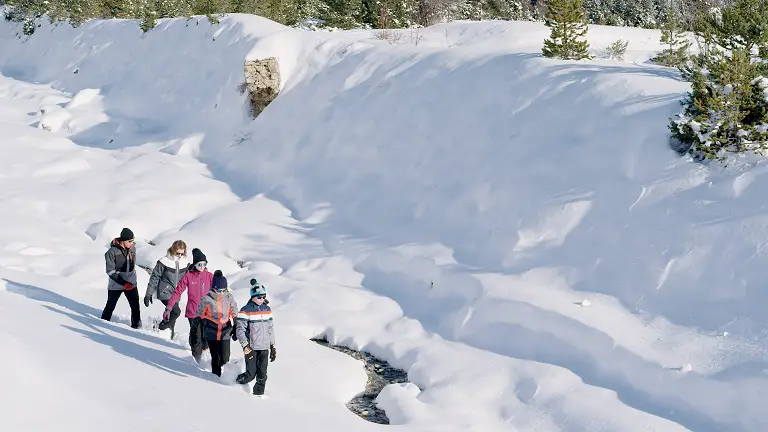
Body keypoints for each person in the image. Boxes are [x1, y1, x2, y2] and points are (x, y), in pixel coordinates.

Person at [163, 248, 213, 363]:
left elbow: (220, 291)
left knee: (205, 336)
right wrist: (169, 307)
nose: (202, 266)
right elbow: (177, 291)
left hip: (207, 312)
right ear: (195, 264)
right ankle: (197, 361)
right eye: (199, 264)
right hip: (193, 312)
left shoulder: (210, 276)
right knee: (196, 337)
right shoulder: (188, 276)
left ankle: (204, 351)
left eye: (204, 264)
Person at [235, 278, 277, 397]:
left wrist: (273, 346)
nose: (261, 299)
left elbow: (270, 329)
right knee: (250, 375)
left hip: (264, 347)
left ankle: (258, 398)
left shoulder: (267, 310)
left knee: (262, 376)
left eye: (263, 297)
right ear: (252, 296)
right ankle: (234, 383)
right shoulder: (245, 310)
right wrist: (245, 346)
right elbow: (240, 330)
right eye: (259, 297)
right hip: (251, 347)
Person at [143, 240, 190, 339]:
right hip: (165, 291)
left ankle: (168, 333)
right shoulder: (164, 261)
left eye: (182, 253)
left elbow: (191, 277)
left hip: (176, 294)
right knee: (176, 311)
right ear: (173, 250)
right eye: (178, 253)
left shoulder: (185, 263)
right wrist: (148, 294)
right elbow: (154, 277)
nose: (180, 256)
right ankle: (163, 327)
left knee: (173, 315)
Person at [195, 270, 237, 376]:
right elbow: (199, 313)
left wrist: (236, 324)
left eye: (224, 290)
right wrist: (198, 324)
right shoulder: (207, 299)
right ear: (214, 288)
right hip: (211, 330)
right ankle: (215, 377)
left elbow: (234, 310)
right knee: (215, 356)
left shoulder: (229, 297)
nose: (221, 293)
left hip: (225, 330)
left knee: (225, 357)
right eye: (219, 290)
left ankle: (224, 374)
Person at [101, 228, 141, 329]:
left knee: (135, 305)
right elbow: (110, 271)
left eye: (133, 241)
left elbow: (132, 266)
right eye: (130, 241)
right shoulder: (111, 252)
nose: (132, 243)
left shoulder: (133, 249)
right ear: (123, 240)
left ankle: (136, 327)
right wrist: (123, 283)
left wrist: (131, 280)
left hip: (131, 282)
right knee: (110, 305)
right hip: (116, 283)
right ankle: (102, 324)